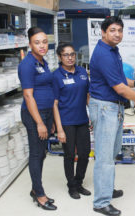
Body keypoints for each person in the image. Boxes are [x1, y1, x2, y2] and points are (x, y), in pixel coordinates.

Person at [89, 16, 135, 216]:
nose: (117, 34)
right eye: (112, 30)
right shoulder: (103, 54)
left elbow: (120, 80)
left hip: (113, 108)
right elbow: (120, 89)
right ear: (103, 32)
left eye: (120, 30)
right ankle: (101, 202)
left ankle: (106, 189)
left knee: (112, 152)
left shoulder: (113, 51)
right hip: (105, 108)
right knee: (104, 157)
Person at [19, 27, 57, 210]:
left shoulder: (43, 62)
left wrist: (49, 121)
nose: (42, 46)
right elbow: (28, 96)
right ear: (29, 44)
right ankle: (39, 194)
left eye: (44, 42)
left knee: (42, 153)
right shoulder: (27, 65)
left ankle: (36, 189)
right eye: (37, 42)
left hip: (46, 113)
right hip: (35, 115)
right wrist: (40, 123)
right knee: (36, 154)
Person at [52, 43, 91, 200]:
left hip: (82, 120)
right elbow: (54, 104)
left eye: (72, 54)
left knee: (84, 153)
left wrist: (92, 116)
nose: (70, 57)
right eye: (66, 55)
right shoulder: (56, 76)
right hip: (66, 121)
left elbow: (87, 95)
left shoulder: (82, 72)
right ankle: (71, 185)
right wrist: (59, 129)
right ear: (60, 57)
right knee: (69, 155)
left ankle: (79, 182)